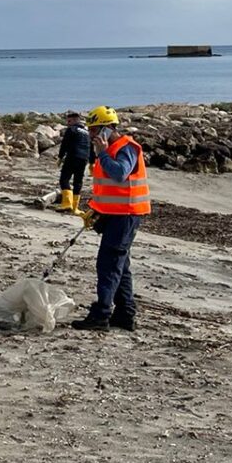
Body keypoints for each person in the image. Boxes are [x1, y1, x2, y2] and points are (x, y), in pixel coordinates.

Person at [72, 105, 151, 332]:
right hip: (115, 215)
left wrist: (103, 153)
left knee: (109, 264)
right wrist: (97, 210)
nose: (93, 135)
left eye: (96, 130)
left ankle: (101, 314)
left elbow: (119, 173)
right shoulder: (111, 149)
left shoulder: (125, 148)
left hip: (126, 215)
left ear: (108, 129)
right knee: (121, 265)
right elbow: (108, 189)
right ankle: (125, 314)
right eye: (91, 131)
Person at [55, 109, 90, 210]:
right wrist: (92, 161)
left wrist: (60, 157)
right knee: (78, 181)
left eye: (69, 121)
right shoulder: (87, 132)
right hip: (84, 159)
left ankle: (67, 204)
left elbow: (64, 144)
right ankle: (75, 207)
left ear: (75, 121)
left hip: (73, 156)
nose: (68, 123)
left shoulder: (71, 130)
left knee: (64, 179)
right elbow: (91, 147)